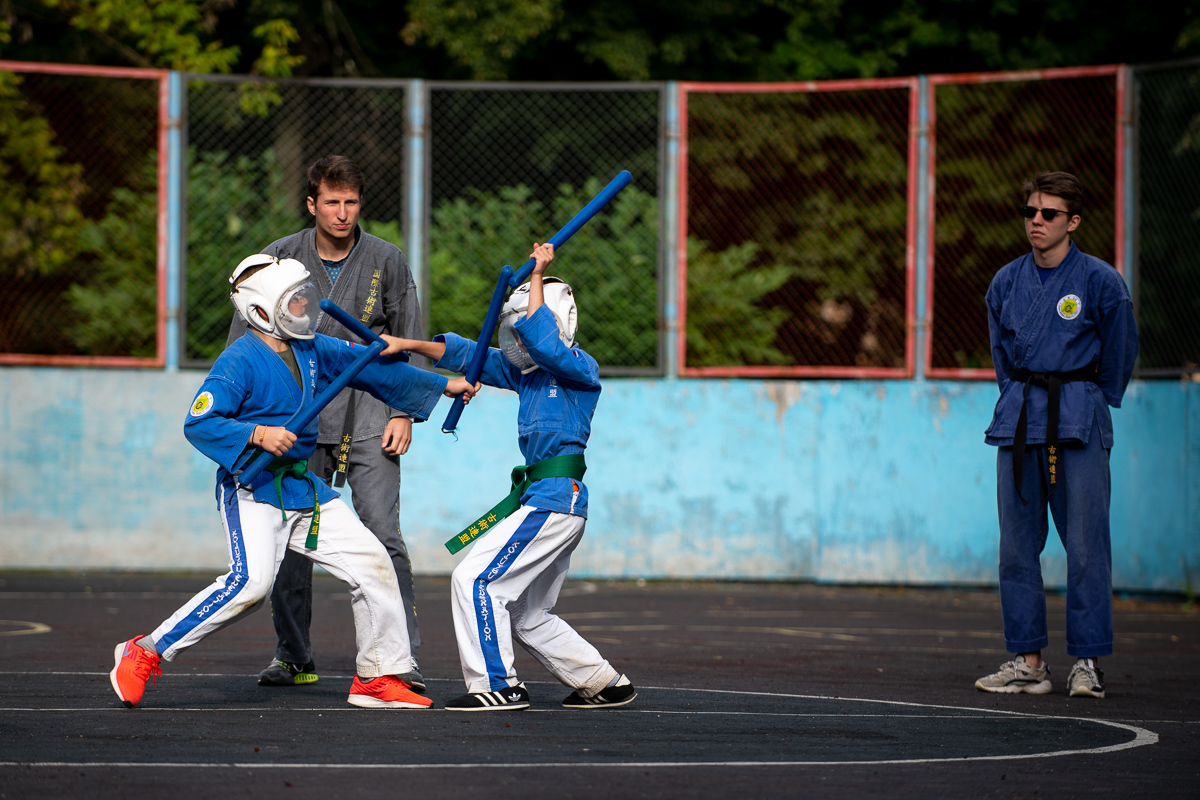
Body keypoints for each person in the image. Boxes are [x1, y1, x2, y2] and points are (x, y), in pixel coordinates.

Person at [110, 254, 478, 710]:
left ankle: (378, 677)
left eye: (303, 296)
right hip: (255, 488)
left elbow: (371, 370)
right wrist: (258, 433)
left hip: (304, 489)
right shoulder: (238, 361)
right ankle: (145, 649)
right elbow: (199, 423)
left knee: (373, 563)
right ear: (262, 309)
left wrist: (443, 385)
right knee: (250, 585)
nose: (306, 305)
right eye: (295, 299)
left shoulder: (310, 346)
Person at [379, 242, 636, 711]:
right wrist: (407, 346)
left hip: (556, 500)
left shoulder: (581, 371)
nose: (517, 344)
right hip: (546, 499)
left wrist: (537, 273)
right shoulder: (528, 375)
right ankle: (603, 681)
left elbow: (543, 341)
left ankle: (497, 685)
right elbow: (466, 354)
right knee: (527, 611)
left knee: (474, 580)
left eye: (523, 331)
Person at [226, 156, 429, 691]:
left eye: (351, 202)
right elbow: (244, 340)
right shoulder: (277, 258)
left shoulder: (387, 259)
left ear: (361, 204)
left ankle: (397, 661)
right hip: (296, 418)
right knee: (291, 541)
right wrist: (254, 422)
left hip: (371, 415)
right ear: (312, 204)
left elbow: (410, 337)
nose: (342, 212)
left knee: (384, 534)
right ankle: (294, 656)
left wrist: (405, 411)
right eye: (332, 202)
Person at [975, 171, 1137, 699]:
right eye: (1030, 212)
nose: (1036, 222)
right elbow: (1002, 357)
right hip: (1020, 416)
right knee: (1016, 546)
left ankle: (1086, 663)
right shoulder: (1005, 282)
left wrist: (1089, 398)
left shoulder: (1099, 281)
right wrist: (1021, 396)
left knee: (1087, 546)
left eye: (1048, 214)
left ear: (1073, 221)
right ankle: (1028, 661)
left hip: (1078, 416)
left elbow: (1119, 352)